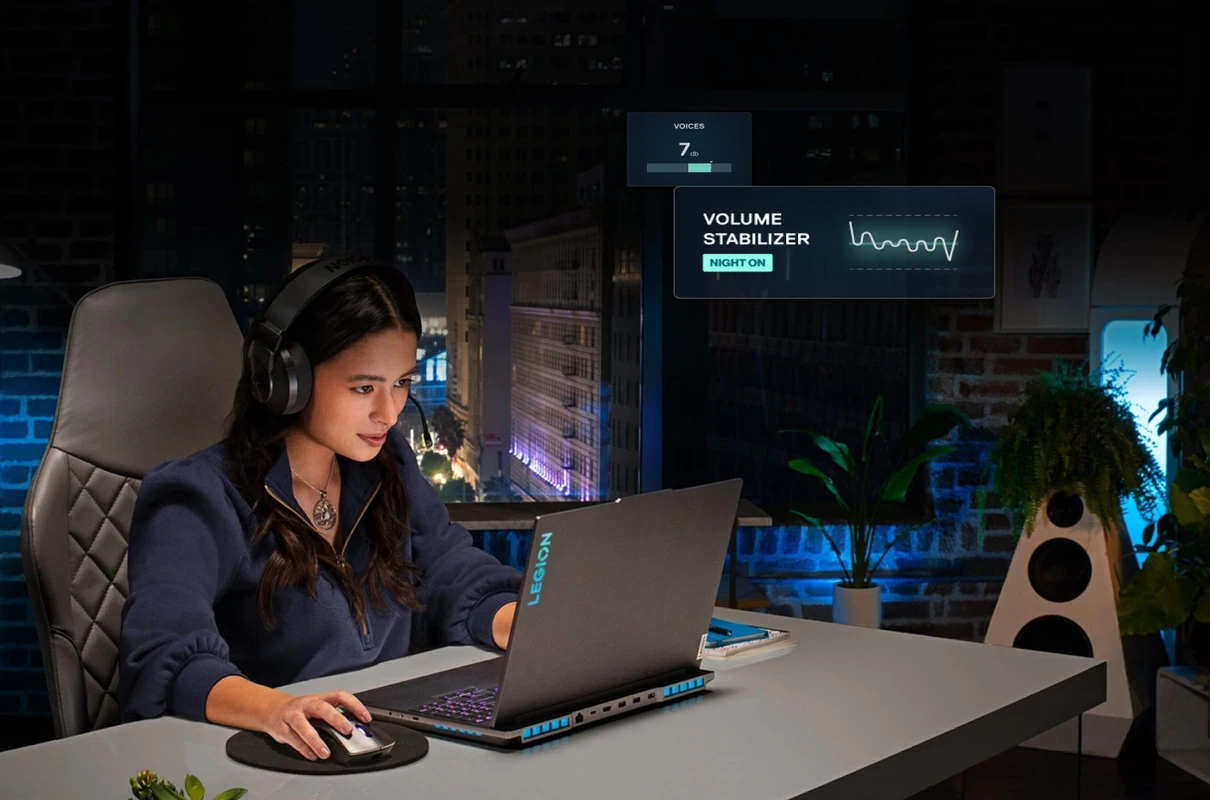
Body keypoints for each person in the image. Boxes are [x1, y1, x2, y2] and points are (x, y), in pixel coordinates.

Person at [118, 259, 522, 762]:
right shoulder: (197, 496)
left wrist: (525, 629)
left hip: (395, 749)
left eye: (401, 383)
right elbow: (162, 652)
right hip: (271, 764)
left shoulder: (387, 463)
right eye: (364, 387)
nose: (389, 412)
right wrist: (277, 709)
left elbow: (450, 571)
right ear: (288, 381)